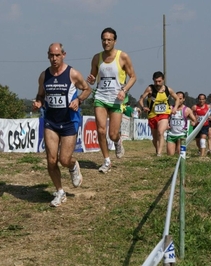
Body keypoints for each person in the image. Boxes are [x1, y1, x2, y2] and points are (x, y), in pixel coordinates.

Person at [32, 43, 92, 207]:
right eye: (51, 55)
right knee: (51, 160)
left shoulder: (72, 73)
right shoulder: (44, 75)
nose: (54, 58)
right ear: (48, 55)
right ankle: (60, 192)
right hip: (51, 121)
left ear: (63, 55)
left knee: (64, 159)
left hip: (68, 121)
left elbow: (87, 89)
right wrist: (38, 102)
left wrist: (78, 100)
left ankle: (73, 165)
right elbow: (40, 94)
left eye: (57, 55)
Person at [87, 27, 137, 173]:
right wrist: (90, 79)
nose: (106, 42)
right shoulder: (97, 58)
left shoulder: (123, 57)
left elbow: (133, 77)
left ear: (115, 41)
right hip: (101, 97)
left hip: (116, 98)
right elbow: (93, 77)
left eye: (109, 39)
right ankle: (106, 161)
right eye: (104, 39)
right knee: (101, 130)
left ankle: (118, 141)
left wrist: (124, 90)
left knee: (112, 134)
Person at [138, 71, 179, 156]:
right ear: (153, 80)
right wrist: (143, 107)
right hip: (152, 115)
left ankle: (159, 153)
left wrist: (175, 108)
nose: (157, 83)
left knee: (160, 132)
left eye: (159, 81)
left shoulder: (168, 90)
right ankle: (158, 150)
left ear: (163, 80)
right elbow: (141, 99)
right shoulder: (150, 89)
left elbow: (177, 99)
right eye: (156, 81)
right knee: (155, 137)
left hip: (164, 114)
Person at [166, 91, 196, 156]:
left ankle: (180, 165)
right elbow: (165, 118)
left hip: (181, 134)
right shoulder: (170, 108)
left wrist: (193, 122)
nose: (178, 100)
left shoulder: (187, 110)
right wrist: (167, 124)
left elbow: (194, 119)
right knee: (170, 155)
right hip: (171, 135)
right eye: (177, 98)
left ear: (183, 99)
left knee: (180, 154)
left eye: (180, 98)